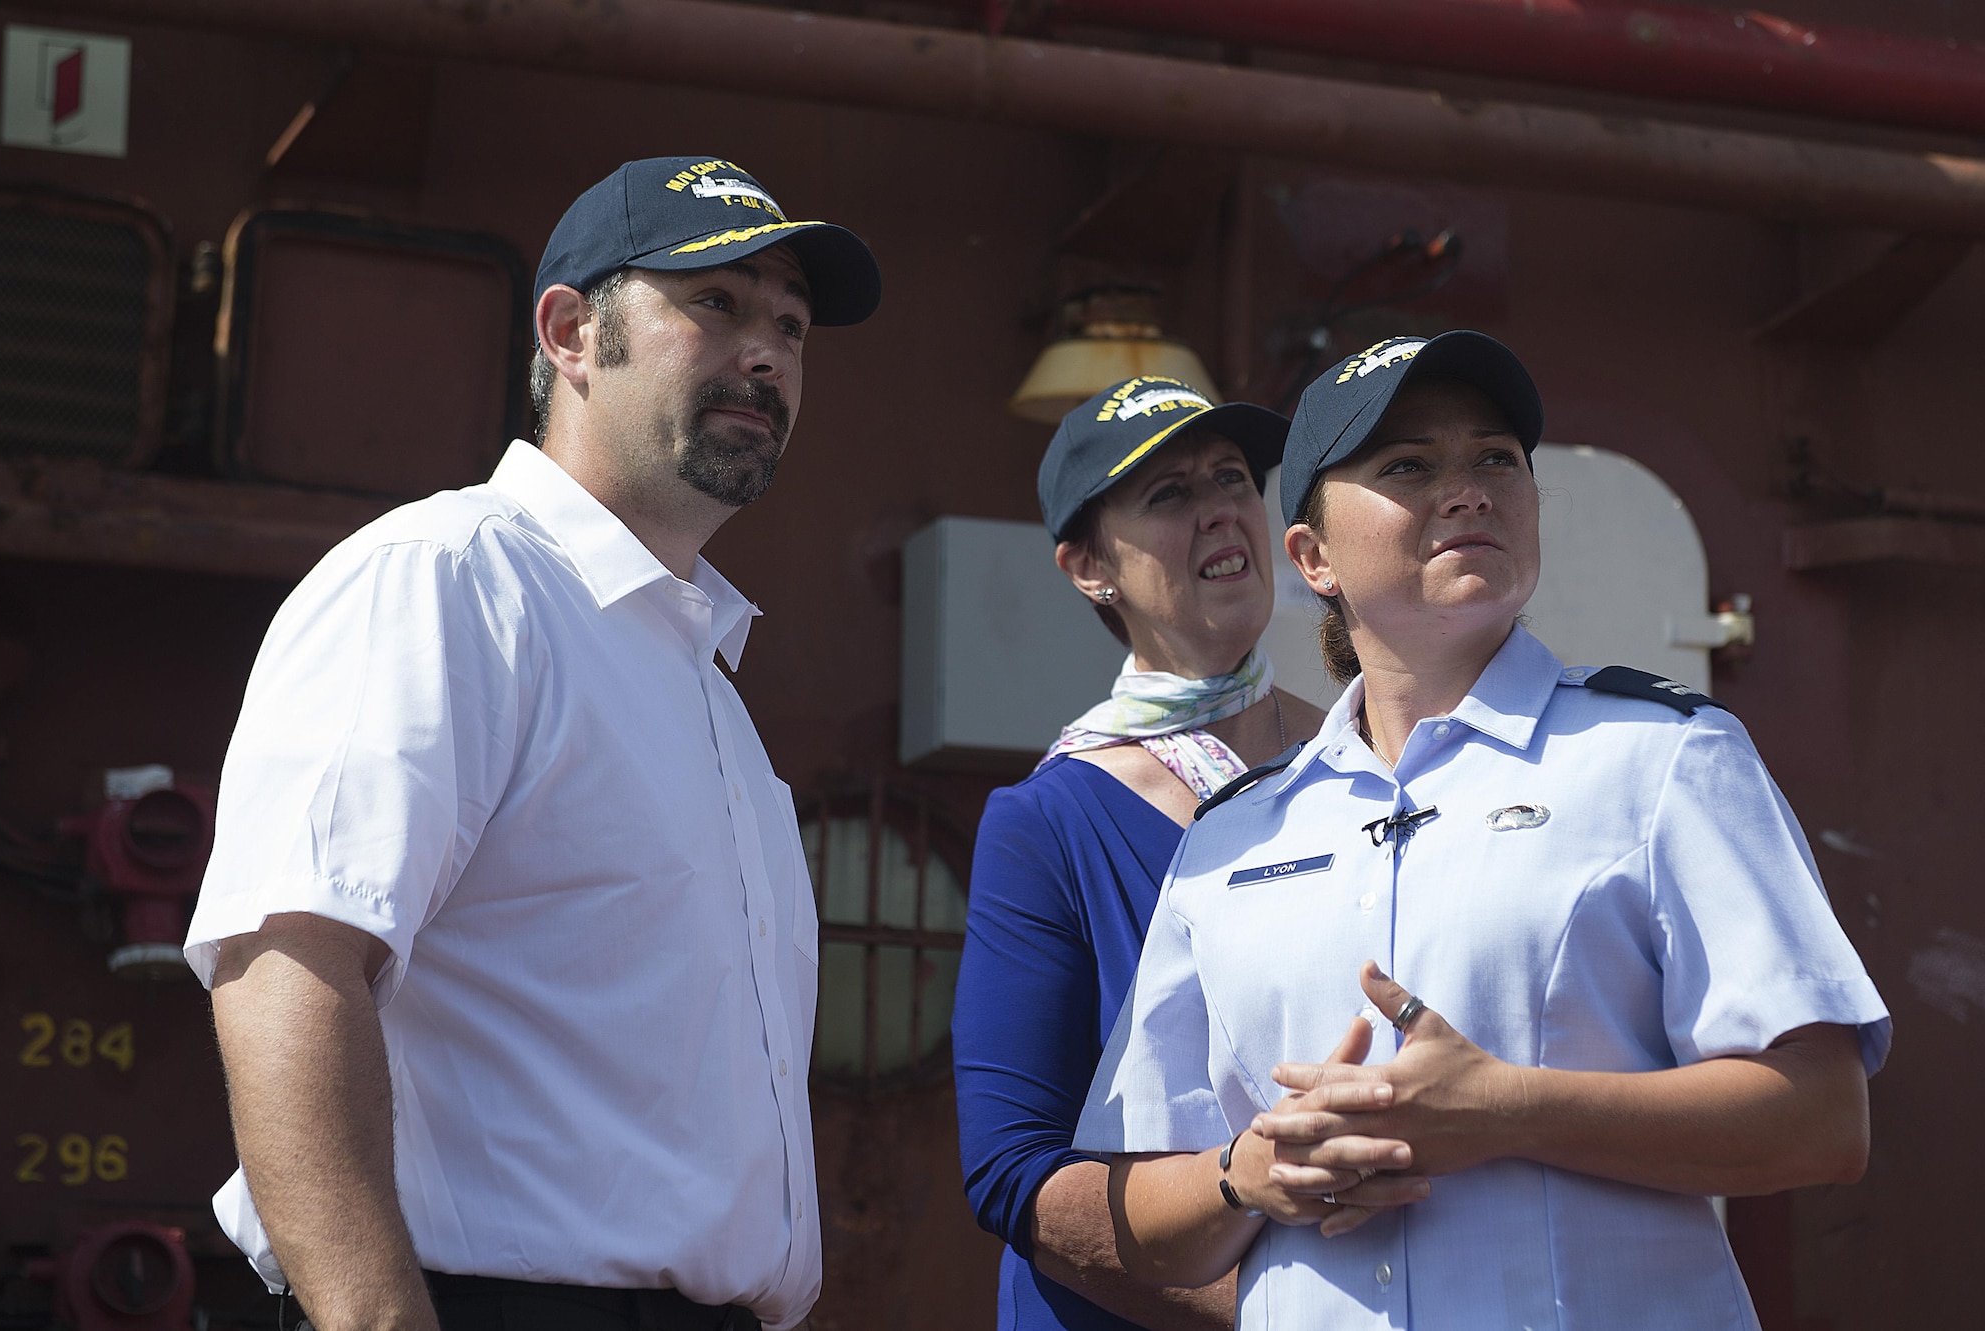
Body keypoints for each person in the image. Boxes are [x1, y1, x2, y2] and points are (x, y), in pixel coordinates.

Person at [183, 156, 880, 1331]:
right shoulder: (445, 579)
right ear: (569, 332)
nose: (765, 354)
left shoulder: (700, 680)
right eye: (713, 303)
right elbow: (290, 965)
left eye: (791, 325)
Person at [1074, 332, 1890, 1329]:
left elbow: (1820, 1117)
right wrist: (1250, 1172)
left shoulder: (1666, 757)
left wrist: (1506, 1109)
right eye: (1407, 464)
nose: (1465, 489)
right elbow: (1140, 1205)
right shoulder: (1232, 834)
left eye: (1493, 458)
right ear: (1311, 555)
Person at [955, 376, 1415, 1331]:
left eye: (1233, 478)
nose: (1218, 511)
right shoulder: (1049, 820)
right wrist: (1274, 1296)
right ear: (1088, 566)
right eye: (1169, 495)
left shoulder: (1380, 754)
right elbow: (1011, 1169)